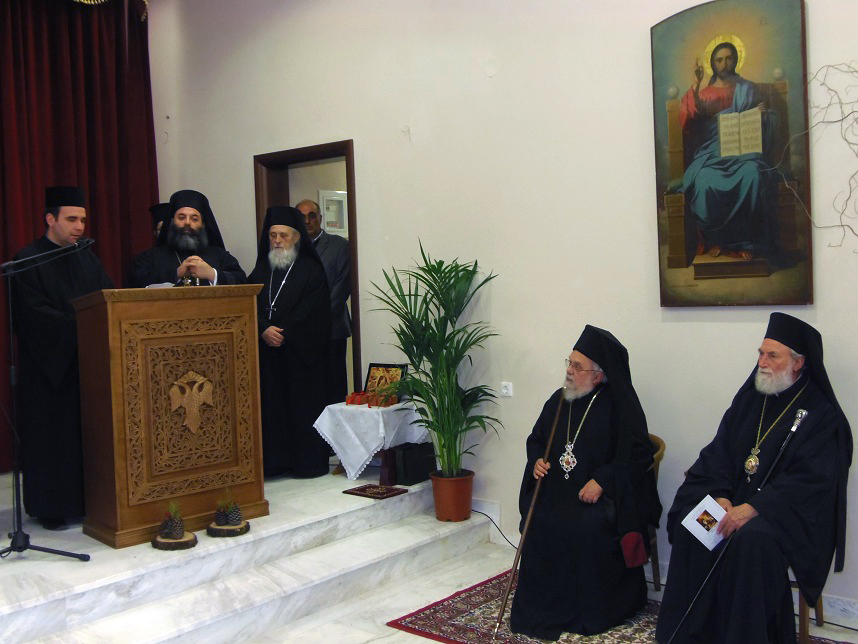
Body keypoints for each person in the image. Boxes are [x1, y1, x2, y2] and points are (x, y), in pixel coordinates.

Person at [656, 313, 852, 644]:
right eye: (761, 353)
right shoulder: (751, 399)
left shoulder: (821, 414)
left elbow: (811, 481)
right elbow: (719, 452)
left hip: (780, 517)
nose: (762, 362)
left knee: (749, 543)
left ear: (799, 362)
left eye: (772, 355)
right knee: (696, 524)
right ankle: (693, 635)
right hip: (730, 502)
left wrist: (754, 508)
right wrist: (720, 495)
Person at [510, 325, 661, 639]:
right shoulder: (558, 401)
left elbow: (638, 454)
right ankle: (543, 607)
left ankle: (589, 610)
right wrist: (537, 460)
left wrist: (603, 481)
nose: (569, 370)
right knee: (540, 519)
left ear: (599, 375)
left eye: (578, 366)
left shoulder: (619, 407)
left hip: (600, 497)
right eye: (570, 362)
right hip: (558, 491)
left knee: (586, 526)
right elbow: (537, 440)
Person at [11, 186, 114, 530]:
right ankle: (51, 508)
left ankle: (87, 501)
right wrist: (82, 323)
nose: (80, 227)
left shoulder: (87, 257)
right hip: (48, 369)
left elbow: (107, 299)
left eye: (83, 220)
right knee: (51, 439)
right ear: (50, 219)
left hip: (88, 367)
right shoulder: (27, 261)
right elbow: (34, 317)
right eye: (72, 219)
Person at [249, 206, 331, 477]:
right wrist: (263, 329)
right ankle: (274, 464)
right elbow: (248, 303)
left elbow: (313, 311)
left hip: (299, 356)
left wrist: (282, 332)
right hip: (268, 356)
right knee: (272, 411)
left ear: (296, 238)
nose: (277, 241)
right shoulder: (261, 270)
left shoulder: (311, 270)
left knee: (300, 409)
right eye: (272, 235)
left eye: (283, 235)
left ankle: (305, 464)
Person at [680, 42, 780, 261]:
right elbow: (689, 120)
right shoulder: (704, 93)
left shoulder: (748, 88)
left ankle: (747, 242)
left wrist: (763, 115)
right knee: (704, 181)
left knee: (753, 174)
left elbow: (767, 120)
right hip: (713, 152)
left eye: (729, 58)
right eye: (719, 60)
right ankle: (716, 240)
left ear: (736, 60)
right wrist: (696, 83)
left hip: (744, 151)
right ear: (712, 63)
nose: (724, 64)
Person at [129, 190, 246, 287]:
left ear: (203, 225)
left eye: (194, 219)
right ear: (172, 222)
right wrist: (176, 274)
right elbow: (135, 281)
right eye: (181, 217)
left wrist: (212, 274)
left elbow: (242, 281)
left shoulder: (220, 255)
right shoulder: (149, 258)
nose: (187, 223)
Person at [296, 199, 351, 405]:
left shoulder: (339, 246)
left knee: (333, 386)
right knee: (308, 390)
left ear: (320, 218)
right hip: (300, 334)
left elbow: (342, 286)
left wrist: (315, 319)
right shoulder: (290, 248)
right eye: (301, 217)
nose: (307, 221)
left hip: (332, 329)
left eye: (312, 216)